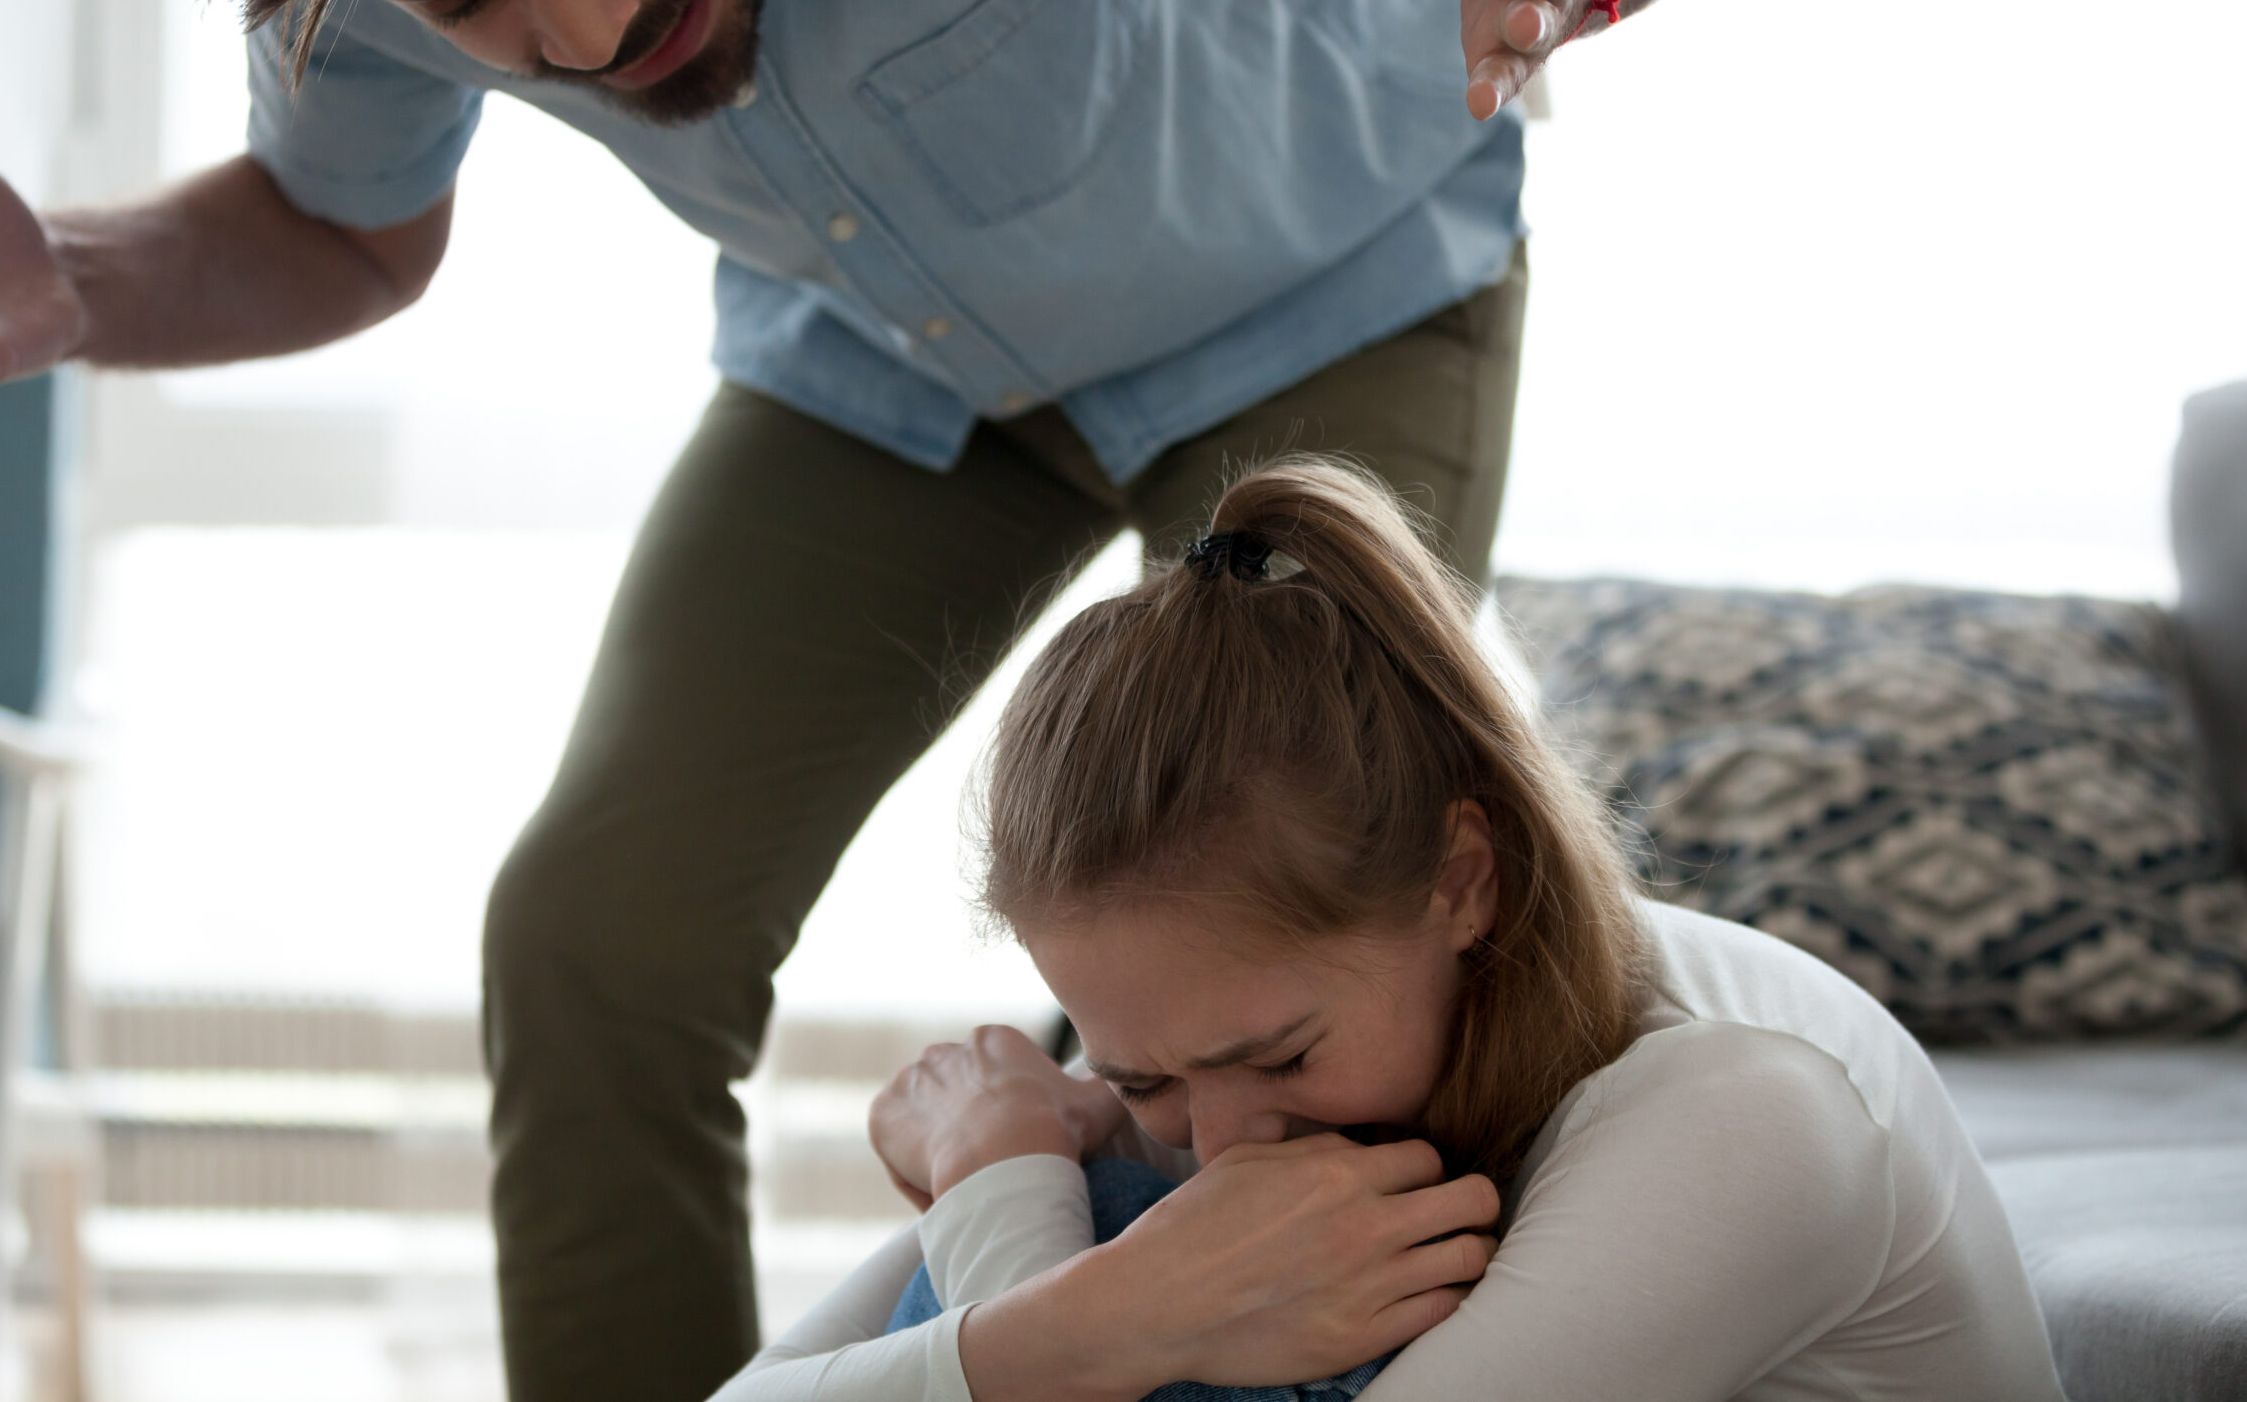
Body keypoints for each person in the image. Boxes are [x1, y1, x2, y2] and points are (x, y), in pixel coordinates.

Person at [0, 0, 1734, 1395]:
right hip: (887, 365)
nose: (576, 30)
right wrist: (76, 280)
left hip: (1326, 287)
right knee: (592, 936)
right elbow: (347, 231)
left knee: (1221, 961)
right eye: (464, 5)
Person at [721, 459, 2068, 1402]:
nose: (1227, 1138)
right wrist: (1093, 1285)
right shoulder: (1228, 1047)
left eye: (1284, 1057)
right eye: (1138, 1075)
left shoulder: (1738, 1111)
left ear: (1463, 881)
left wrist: (1005, 1208)